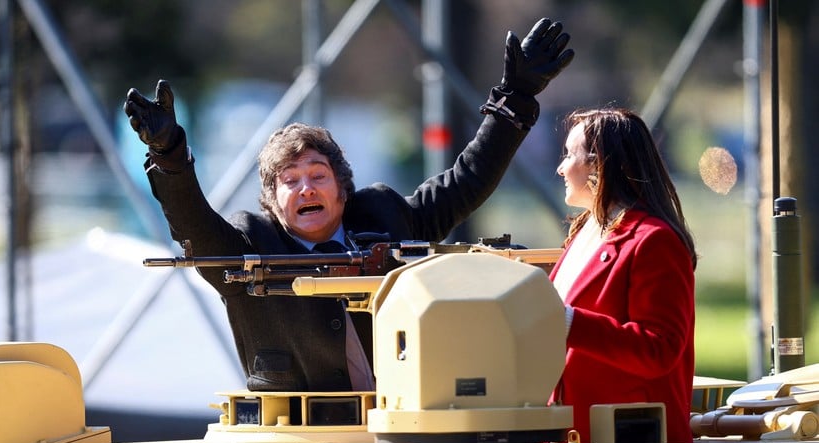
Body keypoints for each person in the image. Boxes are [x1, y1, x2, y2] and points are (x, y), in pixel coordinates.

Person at [124, 17, 574, 393]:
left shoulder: (383, 215)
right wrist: (169, 155)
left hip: (403, 426)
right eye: (290, 181)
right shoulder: (249, 243)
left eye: (318, 176)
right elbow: (193, 227)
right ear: (272, 202)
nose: (306, 189)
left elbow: (466, 181)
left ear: (342, 189)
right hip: (300, 440)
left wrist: (517, 96)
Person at [549, 107, 697, 443]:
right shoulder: (585, 230)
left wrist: (570, 323)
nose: (561, 167)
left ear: (599, 164)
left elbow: (660, 347)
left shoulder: (654, 240)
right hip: (577, 439)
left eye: (570, 155)